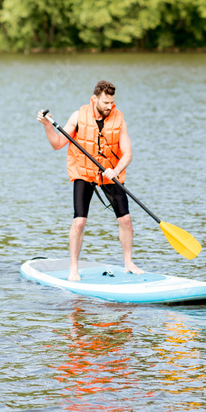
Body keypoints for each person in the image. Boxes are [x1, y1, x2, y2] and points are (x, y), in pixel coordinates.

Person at [37, 80, 143, 282]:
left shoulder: (119, 120)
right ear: (94, 99)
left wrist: (116, 170)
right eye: (105, 102)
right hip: (84, 172)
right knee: (79, 222)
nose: (109, 106)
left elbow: (128, 153)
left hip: (110, 172)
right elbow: (58, 143)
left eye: (112, 102)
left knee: (126, 220)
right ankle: (74, 269)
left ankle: (128, 263)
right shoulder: (78, 117)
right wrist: (47, 126)